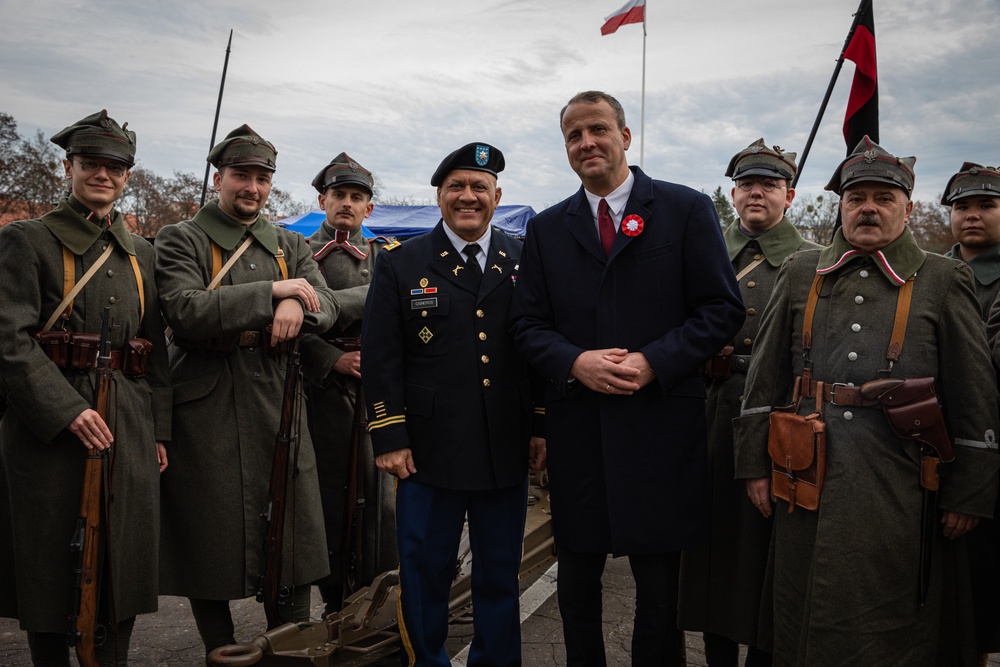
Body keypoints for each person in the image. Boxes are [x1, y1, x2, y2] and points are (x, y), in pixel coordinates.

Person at [734, 137, 999, 666]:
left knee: (895, 628)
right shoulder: (800, 272)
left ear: (908, 207)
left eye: (883, 197)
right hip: (803, 477)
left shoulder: (944, 279)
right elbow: (762, 382)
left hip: (900, 486)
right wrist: (753, 467)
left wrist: (969, 492)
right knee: (801, 613)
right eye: (856, 198)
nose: (869, 208)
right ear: (841, 205)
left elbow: (974, 397)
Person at [509, 91, 745, 667]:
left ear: (625, 136)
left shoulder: (684, 208)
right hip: (580, 432)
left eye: (597, 130)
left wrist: (653, 360)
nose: (586, 143)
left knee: (660, 595)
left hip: (659, 427)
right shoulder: (545, 229)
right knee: (577, 590)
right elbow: (527, 325)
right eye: (573, 135)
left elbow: (721, 309)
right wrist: (573, 361)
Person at [155, 125, 338, 657]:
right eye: (241, 176)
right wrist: (274, 291)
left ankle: (287, 648)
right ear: (219, 179)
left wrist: (297, 303)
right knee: (206, 538)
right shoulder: (181, 238)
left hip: (281, 404)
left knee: (294, 536)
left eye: (262, 179)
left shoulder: (291, 243)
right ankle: (223, 650)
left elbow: (324, 307)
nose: (252, 188)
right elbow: (185, 311)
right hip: (208, 409)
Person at [361, 142, 545, 667]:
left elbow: (537, 352)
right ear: (439, 196)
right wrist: (390, 436)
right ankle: (430, 661)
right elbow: (381, 358)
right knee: (426, 570)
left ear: (497, 196)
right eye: (457, 188)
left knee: (499, 571)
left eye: (479, 188)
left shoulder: (524, 259)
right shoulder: (402, 264)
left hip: (503, 448)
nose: (469, 197)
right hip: (427, 451)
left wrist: (540, 426)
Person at [0, 110, 170, 666]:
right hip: (50, 428)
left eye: (115, 167)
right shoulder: (27, 241)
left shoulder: (142, 251)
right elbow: (9, 340)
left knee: (120, 559)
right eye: (91, 164)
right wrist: (66, 410)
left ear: (128, 175)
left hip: (129, 421)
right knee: (51, 565)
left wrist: (159, 433)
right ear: (68, 168)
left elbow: (156, 350)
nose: (103, 175)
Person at [678, 139, 820, 667]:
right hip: (703, 412)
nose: (756, 192)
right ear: (733, 194)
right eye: (746, 185)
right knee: (706, 548)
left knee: (762, 551)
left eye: (769, 184)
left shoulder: (810, 261)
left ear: (790, 195)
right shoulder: (704, 250)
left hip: (772, 419)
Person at [299, 152, 398, 612]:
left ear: (369, 209)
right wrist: (331, 358)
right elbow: (289, 327)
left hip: (377, 391)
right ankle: (335, 604)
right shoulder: (294, 251)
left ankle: (380, 603)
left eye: (357, 197)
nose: (347, 203)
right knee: (329, 502)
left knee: (383, 504)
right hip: (320, 393)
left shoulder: (387, 256)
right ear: (322, 200)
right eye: (339, 195)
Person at [944, 163, 1000, 665]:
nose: (972, 216)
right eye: (962, 207)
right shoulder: (932, 272)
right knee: (960, 593)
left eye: (986, 205)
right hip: (945, 448)